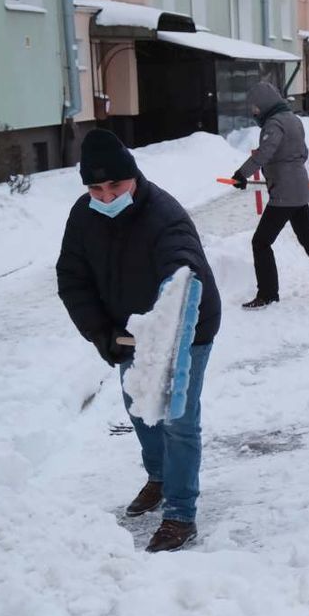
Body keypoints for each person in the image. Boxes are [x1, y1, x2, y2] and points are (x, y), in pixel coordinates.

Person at [57, 131, 221, 552]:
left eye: (116, 185)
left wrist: (171, 324)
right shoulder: (83, 216)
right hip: (128, 331)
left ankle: (181, 514)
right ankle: (160, 476)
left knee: (177, 418)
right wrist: (103, 333)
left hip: (186, 327)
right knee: (140, 410)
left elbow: (183, 268)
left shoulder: (162, 214)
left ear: (133, 177)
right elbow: (72, 280)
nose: (107, 196)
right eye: (96, 188)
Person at [231, 83, 309, 308]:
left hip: (284, 194)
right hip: (299, 188)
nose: (254, 111)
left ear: (265, 103)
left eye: (255, 107)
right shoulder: (293, 119)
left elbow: (265, 153)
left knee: (261, 242)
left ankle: (267, 294)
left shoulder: (273, 124)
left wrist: (241, 174)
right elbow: (302, 153)